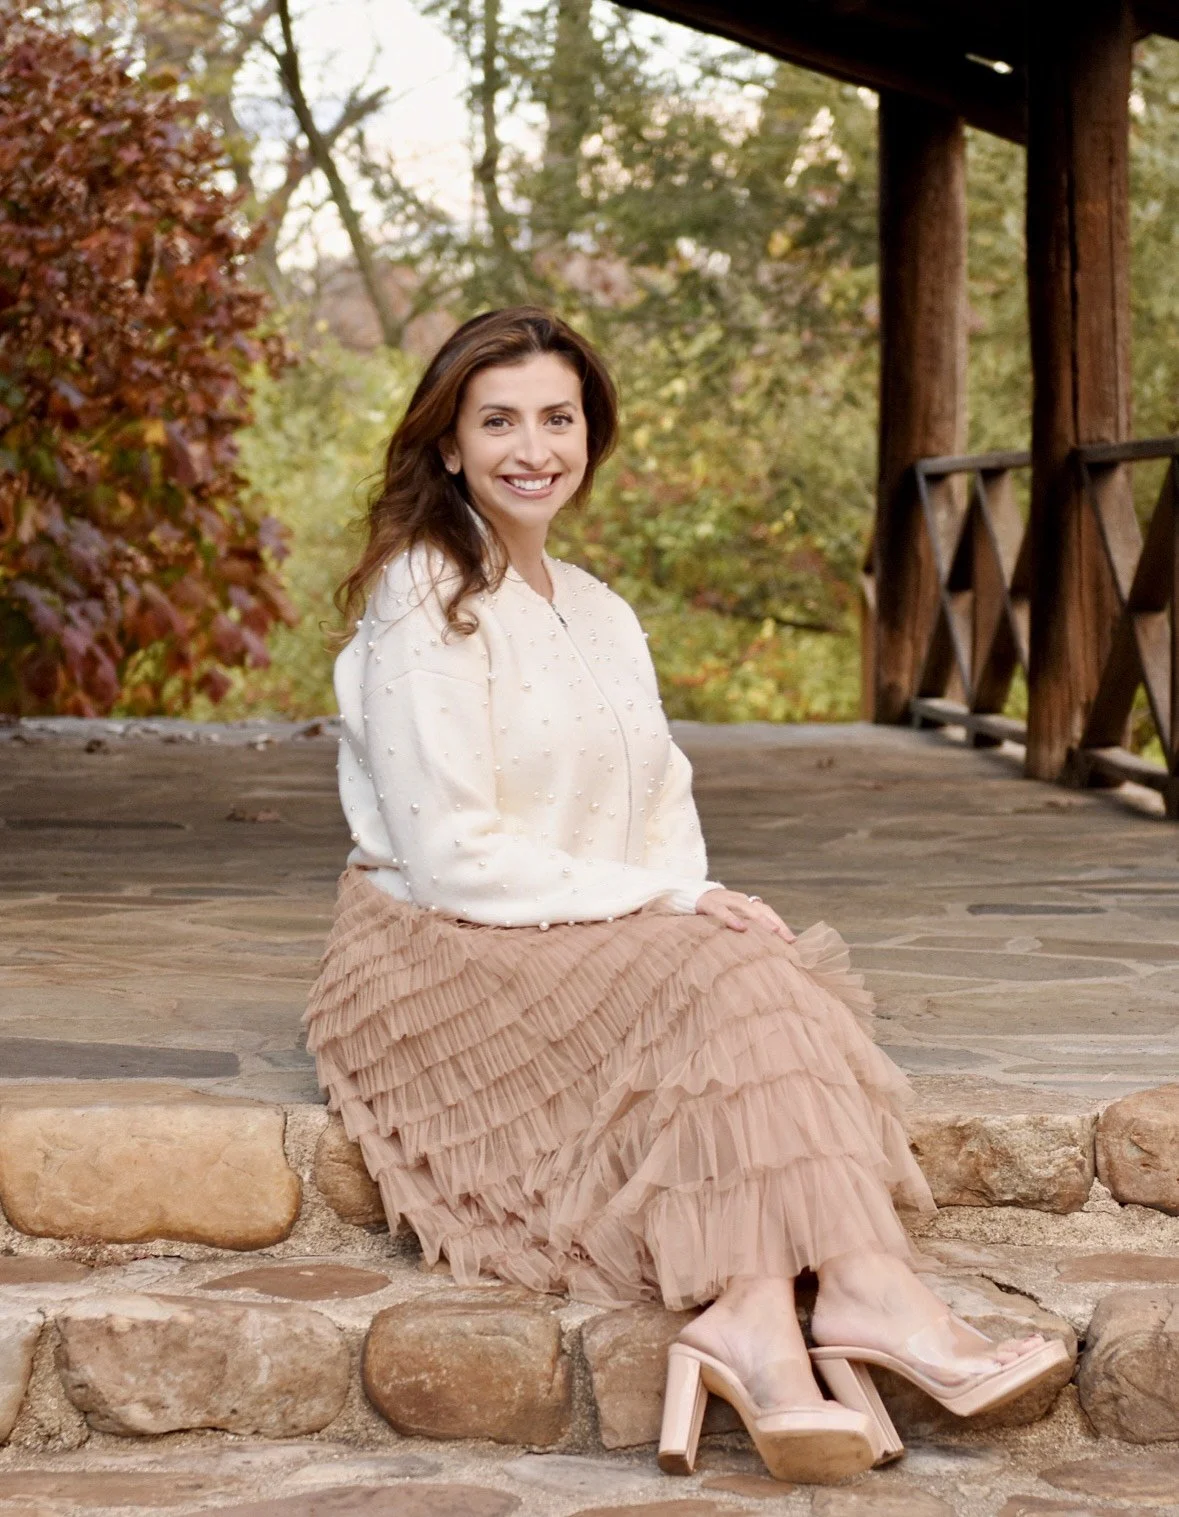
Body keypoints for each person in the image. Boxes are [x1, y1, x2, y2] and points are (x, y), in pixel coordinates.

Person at [304, 307, 1068, 1483]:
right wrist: (666, 906)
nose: (532, 448)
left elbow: (662, 807)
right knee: (729, 968)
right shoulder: (423, 591)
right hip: (436, 950)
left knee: (744, 962)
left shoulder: (601, 610)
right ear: (448, 444)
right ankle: (861, 1295)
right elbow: (450, 853)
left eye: (558, 419)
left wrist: (685, 896)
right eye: (498, 421)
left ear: (590, 435)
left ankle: (759, 1316)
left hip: (581, 931)